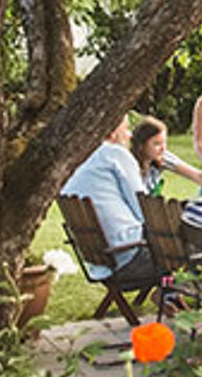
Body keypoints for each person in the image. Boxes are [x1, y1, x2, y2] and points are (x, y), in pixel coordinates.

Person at [60, 116, 160, 286]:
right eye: (126, 129)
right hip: (131, 259)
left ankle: (166, 295)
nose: (130, 136)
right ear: (113, 133)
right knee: (200, 245)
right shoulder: (115, 154)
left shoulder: (75, 158)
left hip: (102, 265)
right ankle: (201, 302)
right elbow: (144, 208)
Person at [130, 116, 202, 196]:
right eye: (156, 144)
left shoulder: (162, 158)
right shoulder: (128, 163)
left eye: (164, 142)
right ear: (141, 145)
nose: (163, 148)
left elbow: (197, 175)